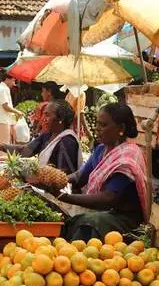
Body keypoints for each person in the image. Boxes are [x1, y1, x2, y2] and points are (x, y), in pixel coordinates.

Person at [58, 103, 148, 241]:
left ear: (121, 128)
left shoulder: (127, 157)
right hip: (104, 214)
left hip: (124, 221)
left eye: (103, 125)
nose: (97, 128)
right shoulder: (101, 150)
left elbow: (108, 198)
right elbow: (79, 177)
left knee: (88, 223)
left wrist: (64, 197)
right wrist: (53, 179)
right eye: (98, 124)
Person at [3, 99, 82, 174]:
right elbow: (25, 151)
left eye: (47, 115)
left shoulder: (67, 142)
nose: (43, 119)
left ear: (61, 118)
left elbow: (63, 174)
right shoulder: (47, 136)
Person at [0, 71, 24, 144]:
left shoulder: (3, 88)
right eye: (13, 81)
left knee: (1, 145)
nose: (14, 83)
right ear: (7, 79)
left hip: (4, 120)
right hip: (3, 121)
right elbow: (5, 106)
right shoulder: (2, 89)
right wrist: (17, 112)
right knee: (2, 145)